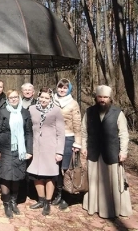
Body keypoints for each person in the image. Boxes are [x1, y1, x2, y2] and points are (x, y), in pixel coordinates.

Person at [81, 85, 132, 218]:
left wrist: (123, 151)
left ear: (110, 98)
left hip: (111, 153)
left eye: (105, 97)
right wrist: (83, 147)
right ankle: (93, 206)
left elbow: (123, 134)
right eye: (100, 97)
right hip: (94, 152)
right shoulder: (89, 112)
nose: (102, 99)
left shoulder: (118, 112)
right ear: (96, 97)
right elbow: (83, 131)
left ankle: (112, 208)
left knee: (113, 183)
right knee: (93, 181)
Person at [0, 89, 33, 218]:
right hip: (5, 149)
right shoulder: (3, 112)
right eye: (11, 98)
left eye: (15, 97)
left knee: (16, 176)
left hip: (20, 150)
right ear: (8, 100)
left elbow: (28, 133)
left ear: (19, 97)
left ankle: (13, 201)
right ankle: (6, 203)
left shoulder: (25, 112)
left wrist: (29, 150)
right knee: (5, 176)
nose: (14, 99)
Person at [27, 87, 65, 216]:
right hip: (36, 147)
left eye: (47, 98)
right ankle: (41, 199)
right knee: (36, 175)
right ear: (38, 97)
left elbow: (61, 133)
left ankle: (48, 202)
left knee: (49, 176)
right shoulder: (32, 109)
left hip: (51, 148)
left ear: (51, 99)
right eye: (42, 97)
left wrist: (59, 151)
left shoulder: (56, 111)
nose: (44, 100)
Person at [52, 78, 81, 209]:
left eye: (65, 88)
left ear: (69, 89)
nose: (62, 90)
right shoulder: (52, 100)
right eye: (60, 87)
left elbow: (77, 124)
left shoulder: (73, 103)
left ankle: (66, 196)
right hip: (53, 138)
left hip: (68, 138)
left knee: (66, 168)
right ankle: (58, 193)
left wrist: (77, 142)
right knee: (56, 168)